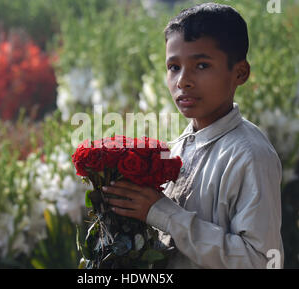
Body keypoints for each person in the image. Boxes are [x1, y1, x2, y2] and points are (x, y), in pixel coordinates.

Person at [102, 2, 284, 269]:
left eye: (201, 65)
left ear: (240, 73)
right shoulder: (177, 149)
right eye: (174, 67)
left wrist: (164, 214)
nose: (183, 81)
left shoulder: (249, 154)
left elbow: (260, 261)